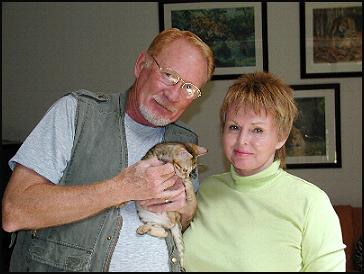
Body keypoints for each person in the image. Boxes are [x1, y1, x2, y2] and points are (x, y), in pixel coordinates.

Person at [2, 28, 214, 272]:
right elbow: (15, 211)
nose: (174, 95)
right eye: (168, 75)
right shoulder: (76, 114)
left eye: (189, 88)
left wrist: (185, 209)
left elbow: (185, 222)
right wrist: (123, 188)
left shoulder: (185, 142)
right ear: (140, 65)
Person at [183, 71, 346, 272]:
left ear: (281, 136)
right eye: (234, 127)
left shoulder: (311, 203)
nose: (242, 140)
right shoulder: (206, 191)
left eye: (257, 130)